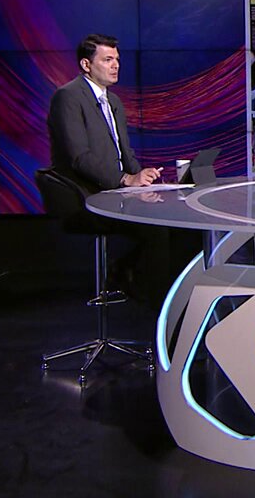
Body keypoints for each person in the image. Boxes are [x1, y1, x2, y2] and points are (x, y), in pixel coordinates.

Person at [48, 33, 171, 304]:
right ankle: (149, 298)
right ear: (86, 64)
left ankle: (139, 280)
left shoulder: (113, 101)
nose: (116, 65)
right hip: (86, 197)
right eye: (107, 60)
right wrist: (126, 179)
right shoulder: (67, 97)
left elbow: (125, 153)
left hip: (116, 191)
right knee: (157, 230)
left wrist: (143, 179)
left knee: (171, 219)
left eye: (117, 59)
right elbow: (79, 157)